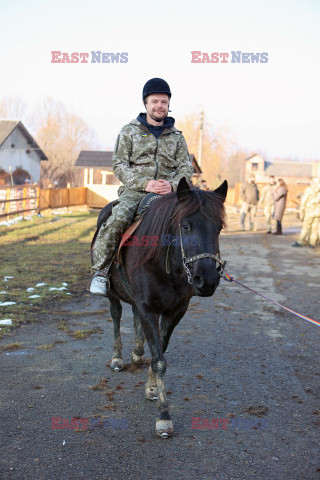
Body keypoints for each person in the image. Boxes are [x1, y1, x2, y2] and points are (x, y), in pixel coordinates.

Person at [90, 78, 194, 295]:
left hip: (168, 194)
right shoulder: (129, 131)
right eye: (154, 101)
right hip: (135, 191)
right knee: (118, 219)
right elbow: (119, 164)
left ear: (168, 105)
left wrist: (172, 185)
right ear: (145, 104)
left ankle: (190, 270)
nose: (159, 105)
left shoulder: (177, 137)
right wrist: (145, 183)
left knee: (192, 222)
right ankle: (100, 272)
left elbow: (186, 168)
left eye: (164, 102)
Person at [292, 177, 320, 248]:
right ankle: (312, 243)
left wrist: (301, 210)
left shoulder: (309, 190)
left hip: (309, 212)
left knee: (305, 227)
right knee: (315, 228)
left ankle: (300, 242)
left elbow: (304, 200)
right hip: (317, 213)